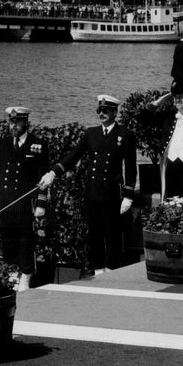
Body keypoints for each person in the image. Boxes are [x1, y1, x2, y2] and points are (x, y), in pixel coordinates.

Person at [38, 95, 137, 275]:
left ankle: (112, 270)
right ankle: (98, 270)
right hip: (92, 192)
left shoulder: (125, 134)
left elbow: (130, 167)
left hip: (112, 193)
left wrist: (128, 196)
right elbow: (74, 155)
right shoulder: (91, 133)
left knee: (112, 233)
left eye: (106, 111)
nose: (102, 114)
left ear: (115, 112)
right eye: (99, 111)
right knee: (94, 234)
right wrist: (53, 172)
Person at [0, 107, 49, 292]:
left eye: (17, 122)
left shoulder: (38, 145)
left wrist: (41, 203)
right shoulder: (2, 145)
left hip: (25, 202)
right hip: (5, 202)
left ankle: (26, 275)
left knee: (25, 241)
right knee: (8, 240)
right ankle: (12, 273)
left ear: (25, 122)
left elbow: (43, 177)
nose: (13, 126)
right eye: (11, 122)